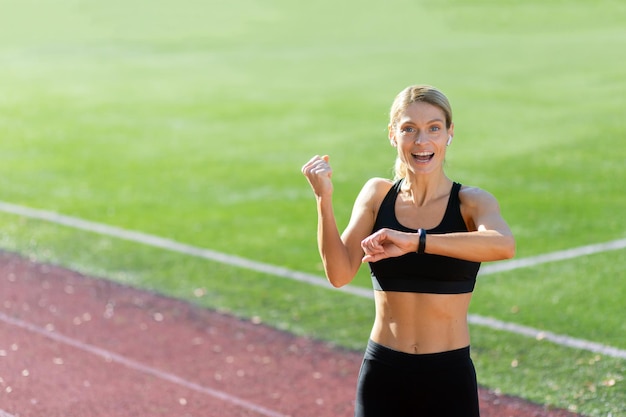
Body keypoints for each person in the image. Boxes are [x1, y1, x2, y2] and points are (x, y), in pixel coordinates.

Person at [301, 84, 515, 417]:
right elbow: (339, 273)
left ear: (449, 134)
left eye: (433, 128)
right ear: (392, 135)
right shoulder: (377, 195)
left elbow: (503, 245)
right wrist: (323, 199)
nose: (421, 141)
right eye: (409, 129)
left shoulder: (471, 202)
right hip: (384, 373)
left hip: (448, 377)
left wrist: (415, 240)